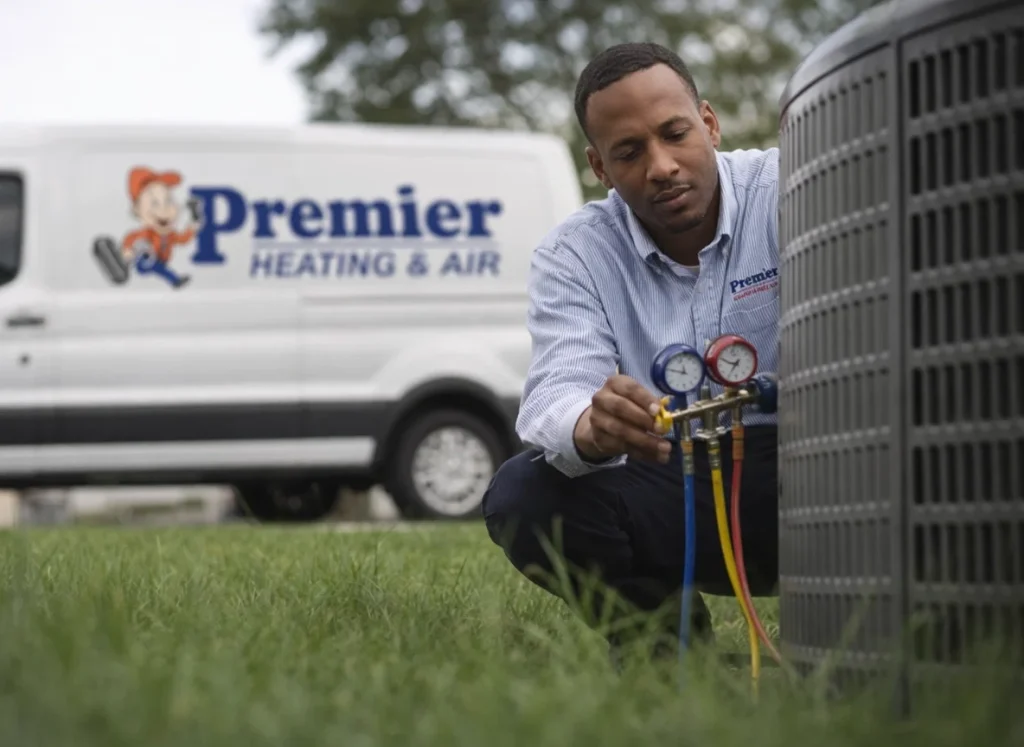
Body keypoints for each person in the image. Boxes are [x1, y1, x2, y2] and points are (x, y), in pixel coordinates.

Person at [481, 42, 781, 660]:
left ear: (709, 121)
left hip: (819, 470)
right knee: (524, 496)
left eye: (675, 133)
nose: (662, 165)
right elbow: (556, 392)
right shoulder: (575, 254)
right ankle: (669, 655)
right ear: (598, 165)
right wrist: (593, 425)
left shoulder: (791, 188)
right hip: (675, 473)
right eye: (629, 152)